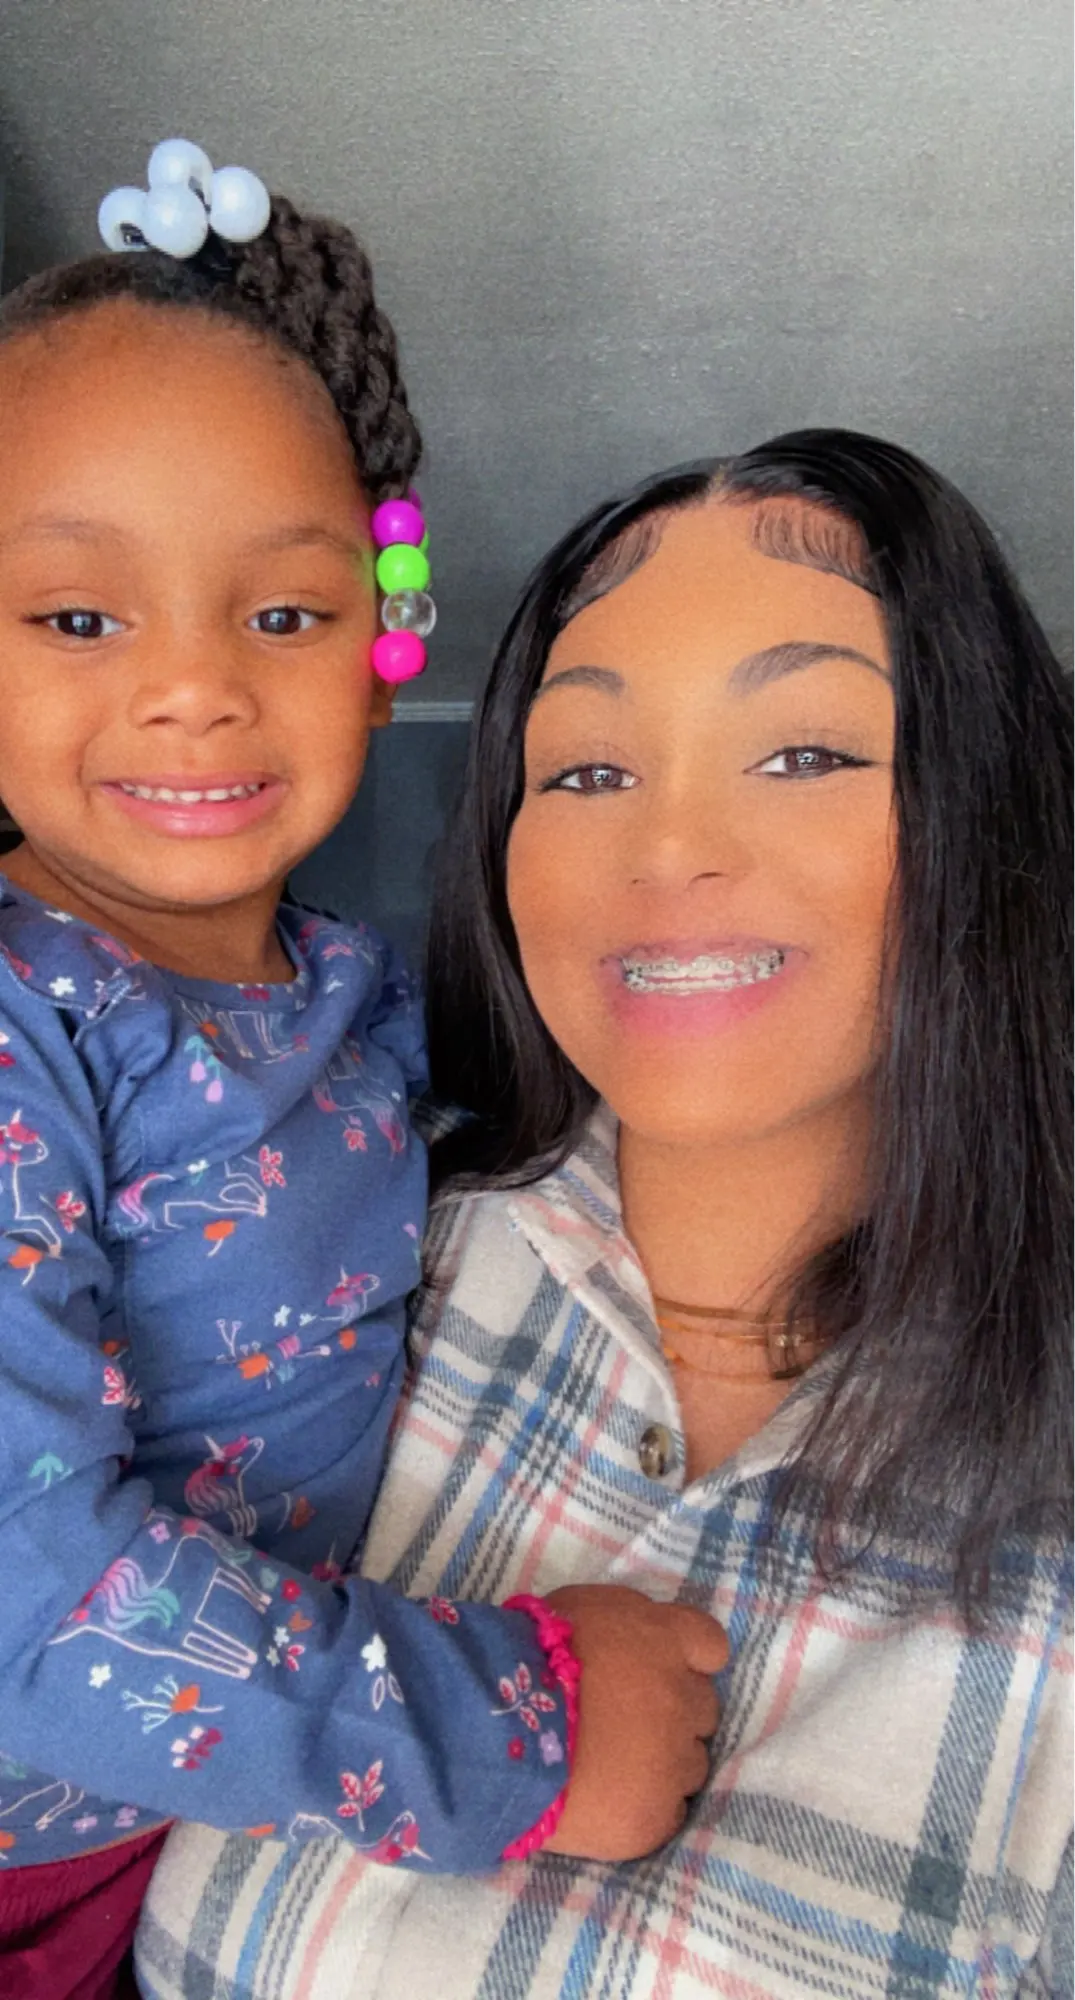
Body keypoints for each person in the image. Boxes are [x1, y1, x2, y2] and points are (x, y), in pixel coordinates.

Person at [138, 432, 1073, 1999]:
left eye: (805, 754)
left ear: (993, 816)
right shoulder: (312, 1264)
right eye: (582, 772)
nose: (666, 849)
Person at [0, 141, 727, 2000]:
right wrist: (523, 1735)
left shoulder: (360, 994)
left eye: (283, 612)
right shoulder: (19, 1028)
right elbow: (26, 1604)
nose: (193, 688)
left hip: (154, 1848)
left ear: (387, 637)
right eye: (77, 617)